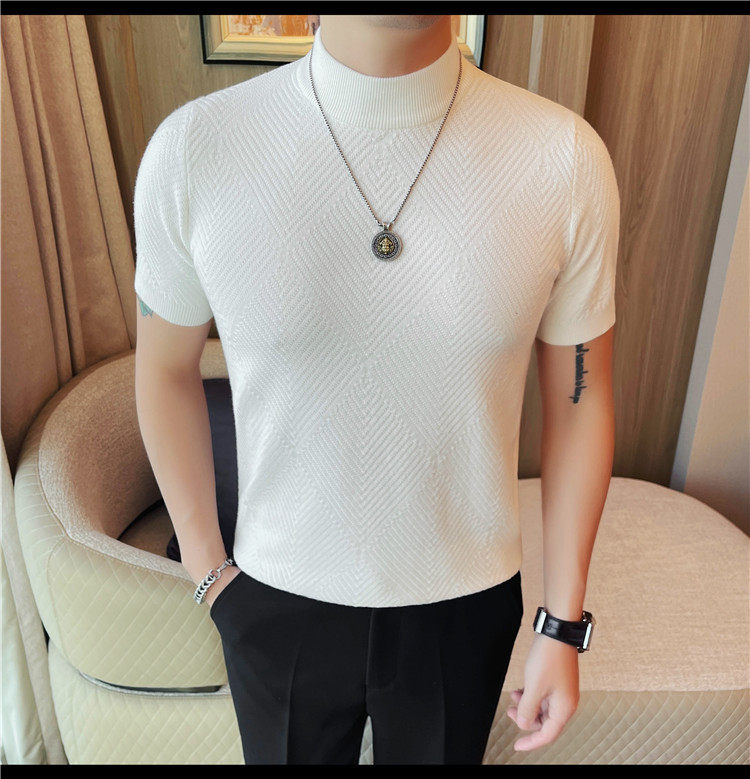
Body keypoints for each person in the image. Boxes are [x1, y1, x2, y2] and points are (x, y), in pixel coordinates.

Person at [133, 13, 618, 765]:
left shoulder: (563, 159)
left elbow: (580, 400)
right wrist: (209, 575)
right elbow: (163, 370)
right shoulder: (198, 149)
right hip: (274, 593)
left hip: (466, 598)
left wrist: (562, 623)